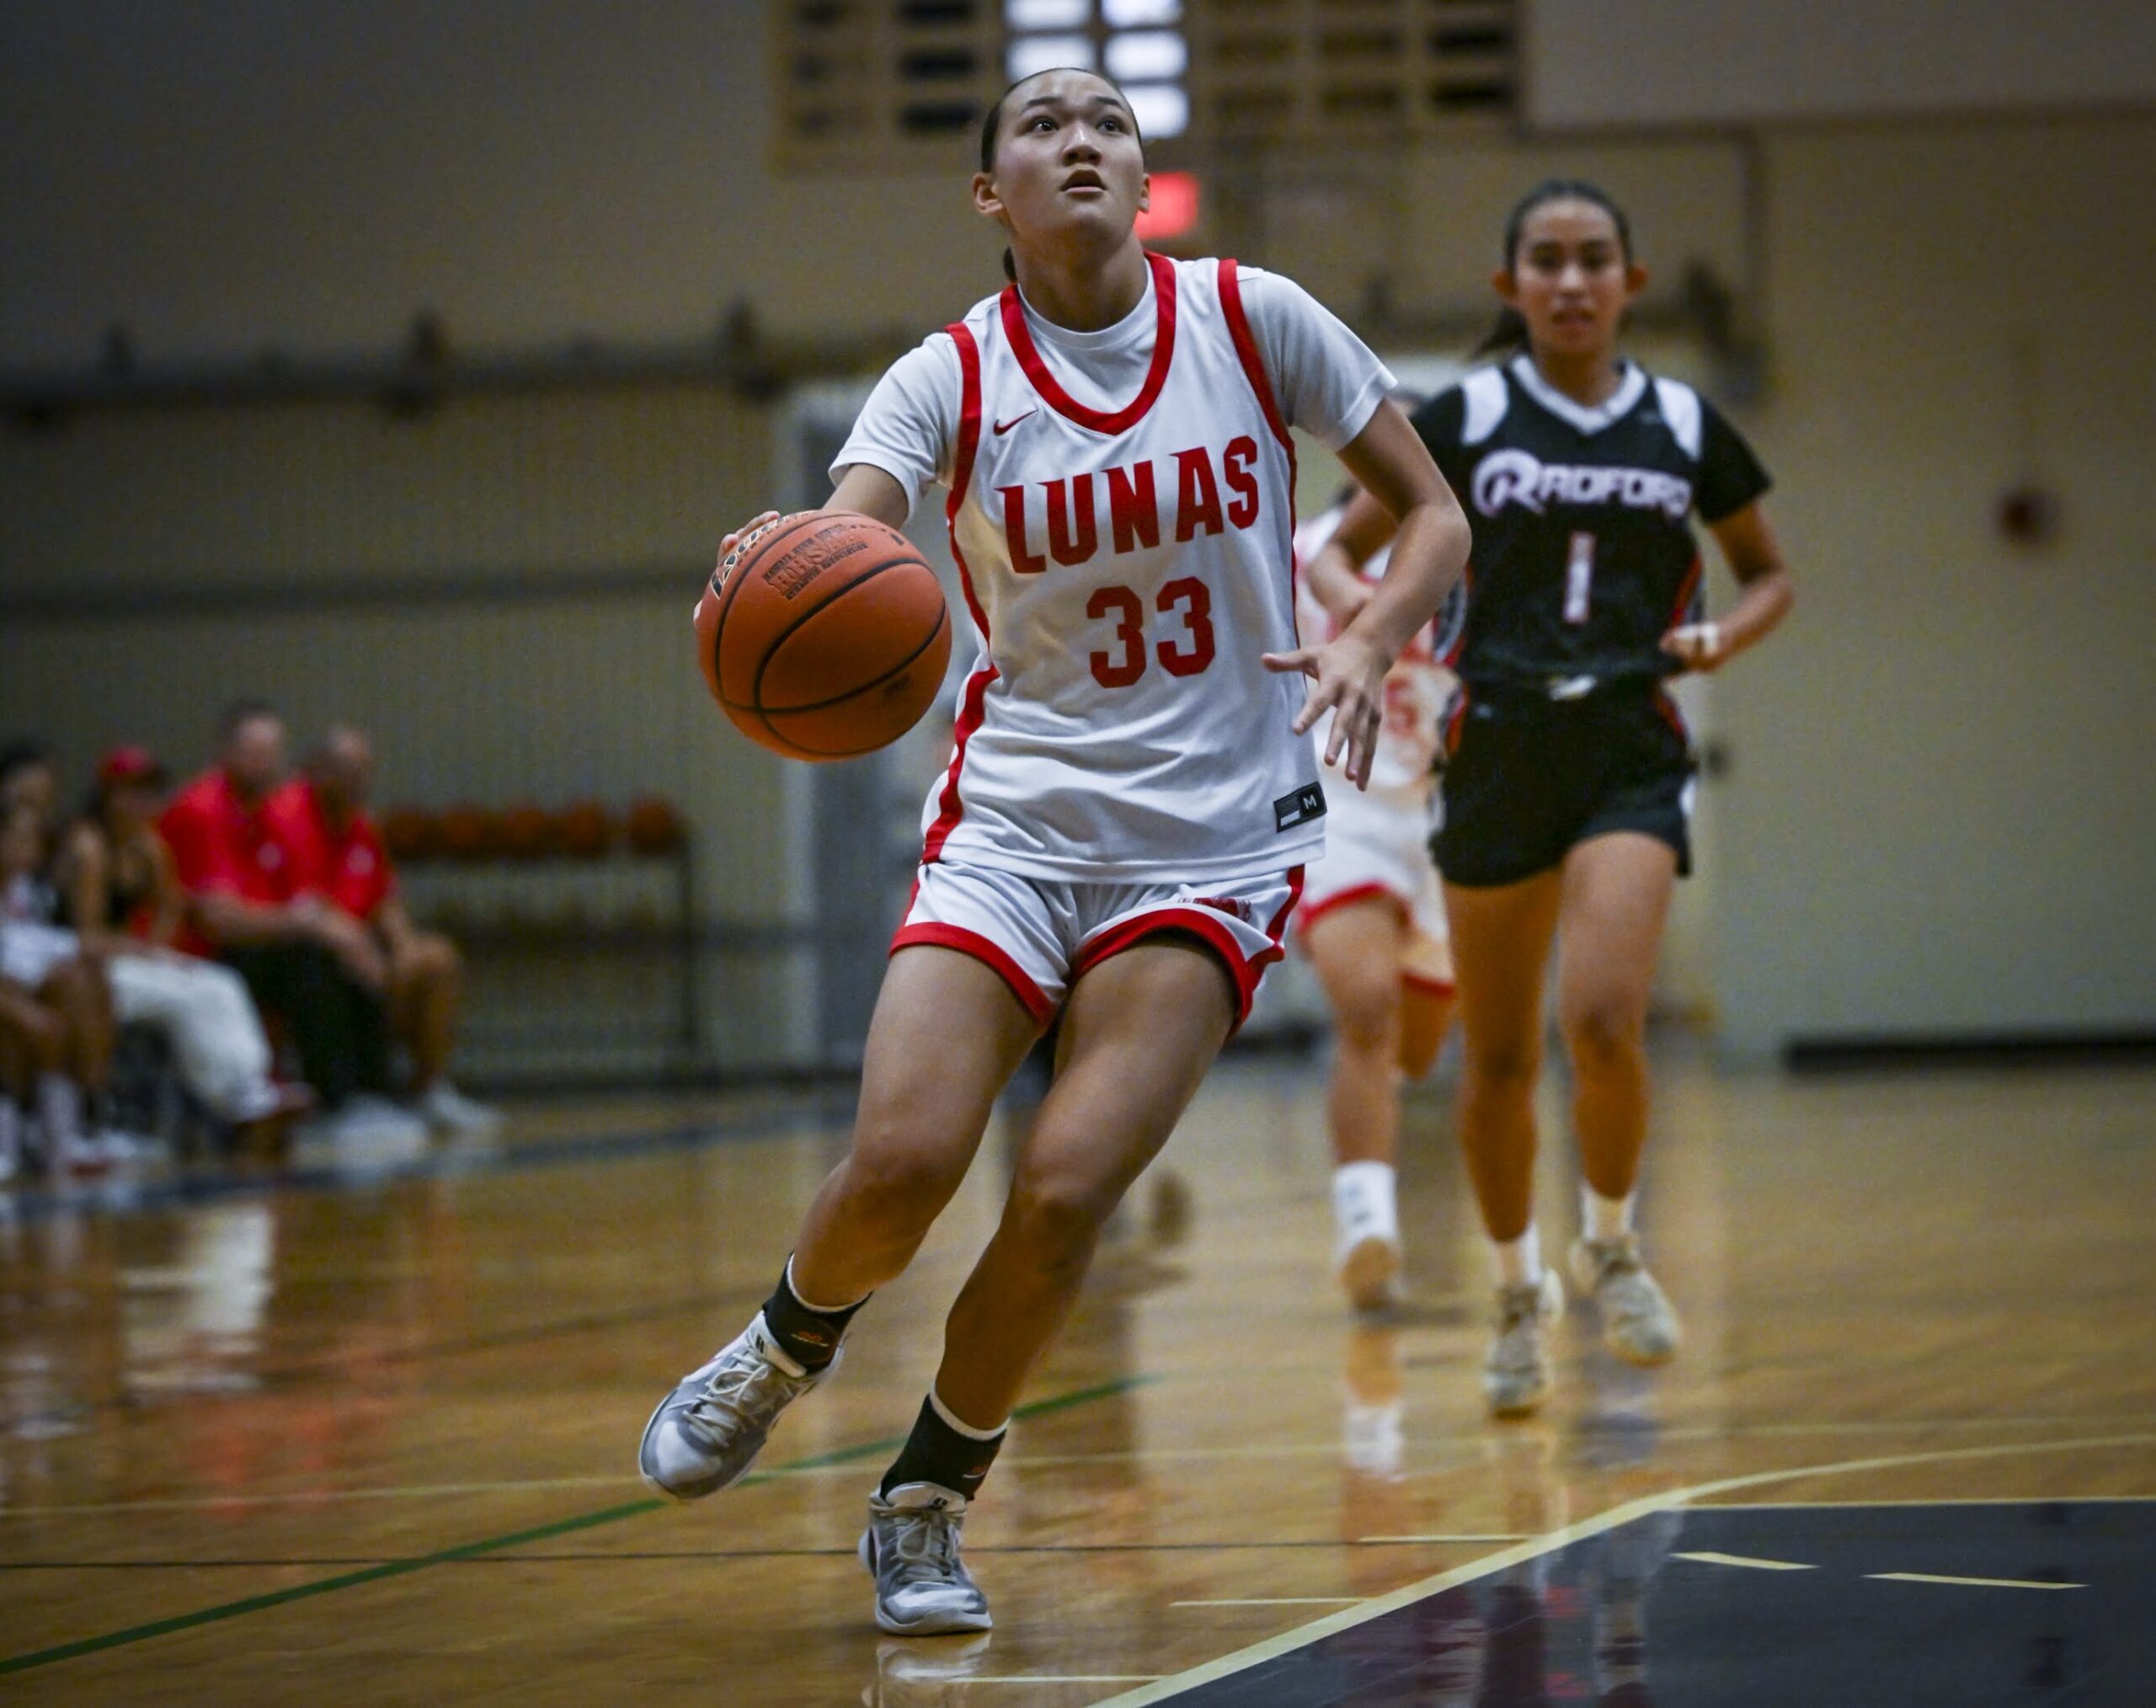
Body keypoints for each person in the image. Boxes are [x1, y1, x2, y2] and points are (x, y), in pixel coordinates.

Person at [636, 66, 1470, 1635]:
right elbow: (860, 534)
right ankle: (780, 1343)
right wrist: (781, 577)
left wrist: (1366, 637)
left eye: (1109, 121)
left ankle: (929, 1495)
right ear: (989, 193)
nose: (1083, 139)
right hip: (1017, 818)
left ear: (1142, 172)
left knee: (1071, 1185)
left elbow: (1434, 519)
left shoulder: (1252, 315)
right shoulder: (944, 377)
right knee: (903, 1158)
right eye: (1043, 124)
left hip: (1214, 845)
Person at [1317, 179, 1794, 1417]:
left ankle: (1616, 1246)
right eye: (1547, 260)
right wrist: (1367, 637)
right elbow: (1334, 549)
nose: (1572, 281)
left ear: (1631, 281)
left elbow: (1768, 576)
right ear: (1510, 285)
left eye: (1594, 260)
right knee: (1498, 1058)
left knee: (1604, 1019)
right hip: (1496, 743)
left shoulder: (1685, 423)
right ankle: (1518, 1287)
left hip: (1630, 741)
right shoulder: (1466, 415)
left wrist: (1725, 640)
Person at [1290, 484, 1459, 1310]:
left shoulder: (1460, 560)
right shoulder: (1300, 552)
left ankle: (1370, 1150)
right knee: (1364, 1007)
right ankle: (1365, 1223)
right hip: (1336, 805)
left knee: (1412, 1051)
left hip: (1434, 813)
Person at [160, 702, 424, 1148]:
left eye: (274, 751)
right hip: (197, 959)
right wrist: (310, 926)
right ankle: (337, 1103)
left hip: (254, 948)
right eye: (255, 752)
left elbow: (300, 899)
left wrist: (338, 931)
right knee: (311, 959)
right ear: (225, 752)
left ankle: (376, 1095)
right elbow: (220, 922)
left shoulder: (262, 810)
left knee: (346, 951)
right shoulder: (205, 809)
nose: (269, 763)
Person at [52, 748, 311, 1140]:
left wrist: (155, 947)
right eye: (131, 792)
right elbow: (84, 935)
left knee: (219, 983)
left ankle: (252, 1086)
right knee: (187, 1000)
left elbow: (171, 902)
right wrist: (143, 952)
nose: (142, 803)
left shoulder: (146, 846)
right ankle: (227, 1098)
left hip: (127, 959)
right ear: (108, 796)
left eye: (149, 792)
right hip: (80, 967)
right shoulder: (89, 847)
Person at [270, 726, 501, 1134]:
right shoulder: (287, 815)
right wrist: (360, 946)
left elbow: (384, 896)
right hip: (309, 945)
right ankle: (346, 1099)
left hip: (363, 943)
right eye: (348, 769)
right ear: (316, 772)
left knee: (437, 959)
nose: (361, 779)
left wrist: (404, 944)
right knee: (338, 963)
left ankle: (430, 1089)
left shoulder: (362, 824)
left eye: (366, 769)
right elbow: (305, 903)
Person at [1, 803, 119, 1174]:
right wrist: (23, 1012)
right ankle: (52, 1129)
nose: (33, 844)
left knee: (82, 985)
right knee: (29, 1018)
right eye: (20, 836)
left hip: (18, 991)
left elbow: (46, 944)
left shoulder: (26, 892)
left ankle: (70, 1131)